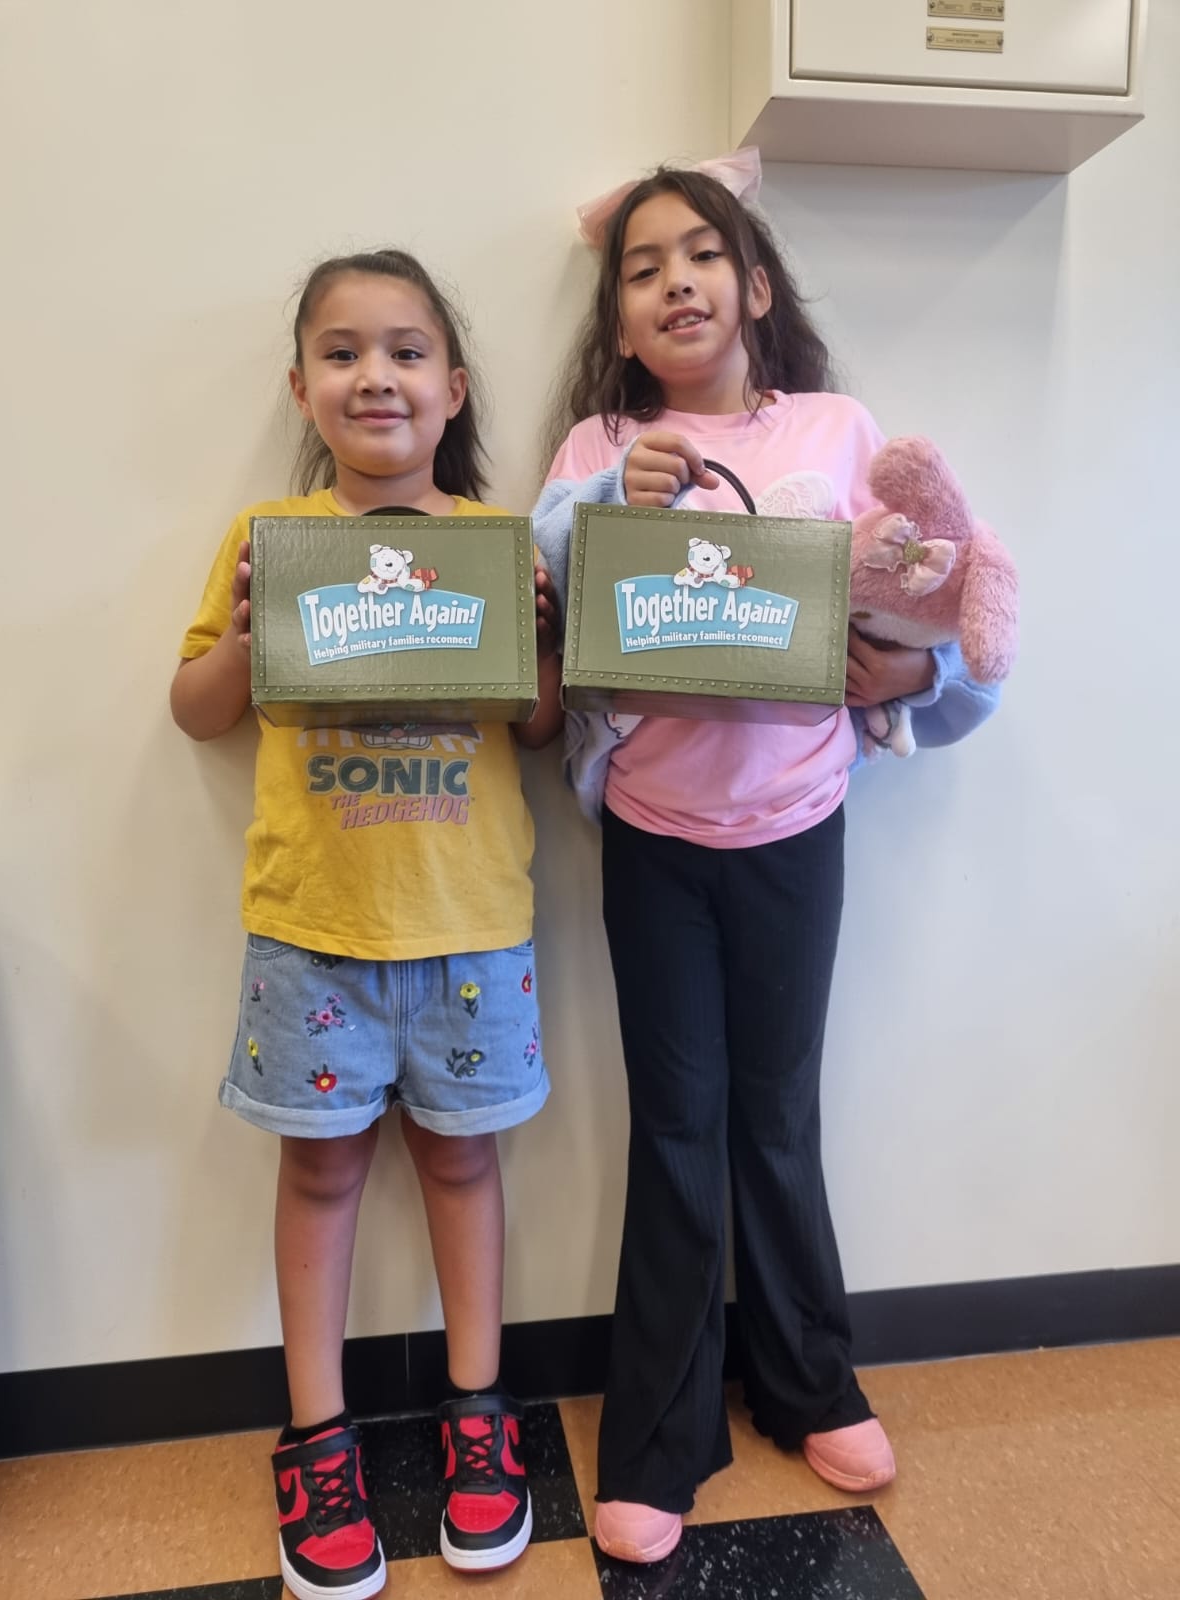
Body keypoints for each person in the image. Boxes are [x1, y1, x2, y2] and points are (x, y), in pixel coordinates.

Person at [533, 155, 1000, 1565]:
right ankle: (657, 1437)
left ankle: (809, 1382)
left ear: (754, 286)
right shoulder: (599, 444)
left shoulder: (837, 430)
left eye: (701, 255)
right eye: (642, 268)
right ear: (619, 320)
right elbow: (541, 578)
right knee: (677, 1126)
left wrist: (912, 672)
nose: (674, 282)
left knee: (779, 1114)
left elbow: (936, 590)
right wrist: (610, 493)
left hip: (800, 824)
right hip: (654, 838)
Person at [171, 248, 562, 1599]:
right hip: (312, 931)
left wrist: (540, 641)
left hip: (470, 927)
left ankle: (478, 1415)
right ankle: (318, 1440)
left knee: (463, 1165)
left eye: (406, 351)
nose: (375, 375)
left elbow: (543, 729)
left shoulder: (497, 543)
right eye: (341, 352)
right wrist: (241, 634)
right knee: (321, 1175)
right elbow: (196, 711)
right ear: (302, 388)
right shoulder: (267, 539)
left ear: (454, 387)